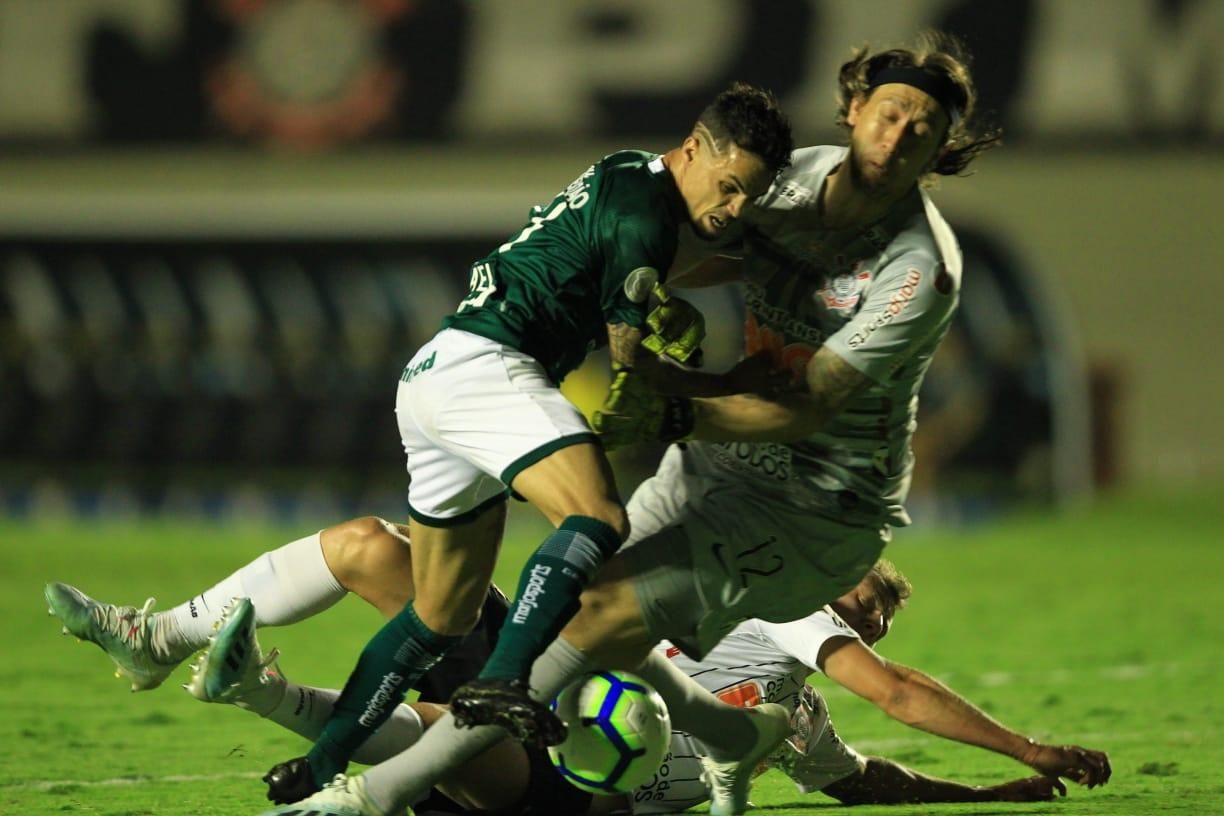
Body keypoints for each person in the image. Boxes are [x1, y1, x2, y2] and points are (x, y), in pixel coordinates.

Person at [248, 31, 1107, 816]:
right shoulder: (784, 183)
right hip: (717, 465)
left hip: (815, 506)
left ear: (941, 149)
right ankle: (737, 738)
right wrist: (662, 328)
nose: (898, 137)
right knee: (583, 608)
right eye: (889, 113)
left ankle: (367, 798)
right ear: (853, 109)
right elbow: (691, 245)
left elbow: (808, 403)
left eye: (923, 129)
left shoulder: (922, 269)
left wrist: (667, 406)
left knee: (588, 620)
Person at [46, 525, 1106, 814]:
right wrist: (1020, 747)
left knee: (471, 737)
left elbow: (869, 771)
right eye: (864, 590)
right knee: (374, 550)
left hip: (562, 787)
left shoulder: (799, 708)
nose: (862, 609)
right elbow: (898, 692)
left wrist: (1002, 785)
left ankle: (260, 692)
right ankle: (167, 642)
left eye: (877, 605)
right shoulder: (779, 607)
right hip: (538, 686)